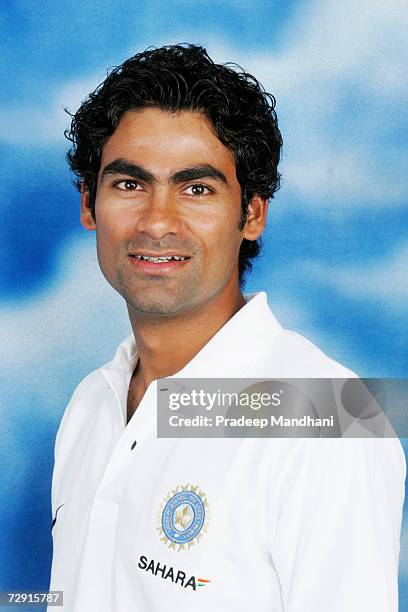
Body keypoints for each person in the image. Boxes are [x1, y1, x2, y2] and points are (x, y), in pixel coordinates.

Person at [48, 44, 405, 611]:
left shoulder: (330, 423)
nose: (158, 221)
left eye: (197, 189)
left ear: (253, 215)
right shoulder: (92, 404)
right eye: (129, 184)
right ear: (90, 205)